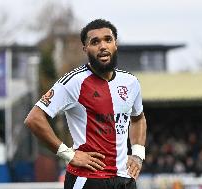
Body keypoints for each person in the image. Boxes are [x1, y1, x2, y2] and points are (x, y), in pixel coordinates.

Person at [24, 18, 147, 189]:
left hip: (124, 179)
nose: (103, 46)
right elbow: (34, 118)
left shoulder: (131, 82)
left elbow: (138, 118)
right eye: (95, 42)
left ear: (115, 45)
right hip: (88, 179)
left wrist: (138, 154)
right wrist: (68, 154)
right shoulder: (74, 82)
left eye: (108, 39)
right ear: (85, 49)